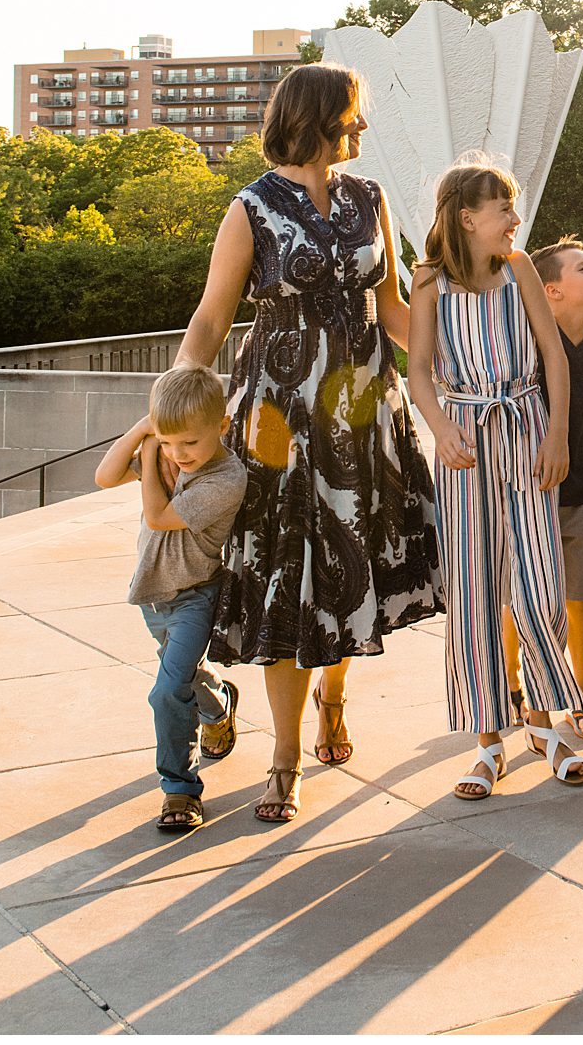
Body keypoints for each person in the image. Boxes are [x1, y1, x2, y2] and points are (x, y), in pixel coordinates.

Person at [173, 62, 441, 827]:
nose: (361, 128)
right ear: (318, 116)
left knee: (349, 562)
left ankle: (335, 696)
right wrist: (173, 405)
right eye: (352, 114)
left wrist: (448, 370)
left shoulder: (369, 198)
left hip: (360, 409)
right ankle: (285, 758)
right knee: (288, 581)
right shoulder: (251, 207)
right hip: (279, 421)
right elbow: (210, 320)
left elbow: (390, 307)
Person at [406, 163, 583, 799]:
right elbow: (420, 374)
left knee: (540, 585)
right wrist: (439, 428)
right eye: (504, 208)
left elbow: (552, 356)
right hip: (464, 444)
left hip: (527, 430)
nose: (515, 220)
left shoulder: (522, 271)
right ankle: (489, 742)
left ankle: (544, 726)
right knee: (474, 588)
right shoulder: (428, 281)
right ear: (468, 217)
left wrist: (557, 434)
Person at [94, 365, 252, 834]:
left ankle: (179, 790)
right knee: (181, 678)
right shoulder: (163, 451)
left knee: (166, 691)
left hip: (194, 597)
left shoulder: (226, 477)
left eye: (188, 442)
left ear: (221, 427)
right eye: (168, 442)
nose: (178, 454)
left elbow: (160, 518)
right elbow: (103, 477)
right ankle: (219, 705)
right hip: (152, 597)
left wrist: (152, 459)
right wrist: (145, 434)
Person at [502, 236, 583, 745]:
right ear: (551, 291)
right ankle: (511, 687)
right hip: (526, 493)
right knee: (517, 600)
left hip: (573, 498)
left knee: (578, 597)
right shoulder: (525, 342)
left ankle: (579, 695)